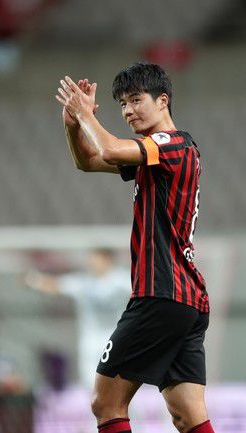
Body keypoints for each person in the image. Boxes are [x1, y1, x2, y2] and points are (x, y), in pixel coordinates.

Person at [54, 62, 214, 433]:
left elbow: (109, 150)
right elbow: (88, 161)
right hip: (186, 301)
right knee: (188, 415)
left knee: (106, 403)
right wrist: (72, 124)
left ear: (163, 101)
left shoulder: (173, 145)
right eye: (123, 103)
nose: (128, 110)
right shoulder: (154, 155)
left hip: (160, 294)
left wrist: (85, 114)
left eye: (136, 100)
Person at [25, 248, 130, 388]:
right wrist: (34, 280)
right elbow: (56, 285)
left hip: (117, 338)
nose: (93, 264)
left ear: (108, 260)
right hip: (91, 340)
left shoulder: (122, 280)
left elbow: (145, 289)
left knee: (120, 383)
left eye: (97, 260)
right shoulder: (84, 282)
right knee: (91, 383)